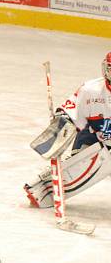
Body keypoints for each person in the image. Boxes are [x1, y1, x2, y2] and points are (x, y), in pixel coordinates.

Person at [24, 52, 111, 207]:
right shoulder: (90, 91)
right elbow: (69, 116)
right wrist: (60, 128)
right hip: (93, 139)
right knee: (76, 167)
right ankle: (46, 188)